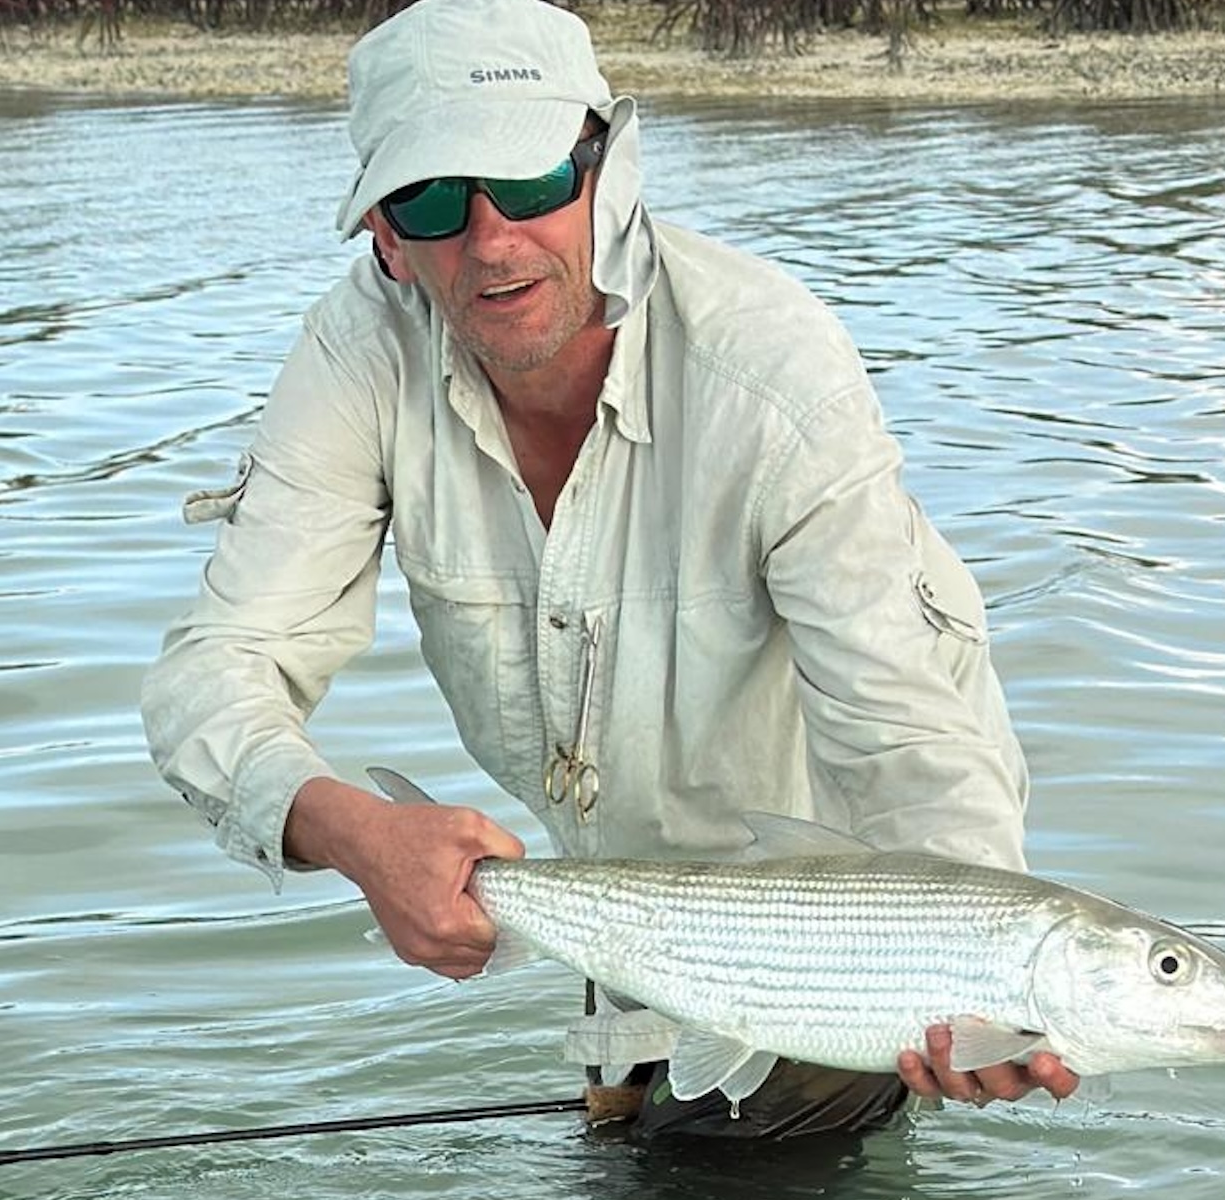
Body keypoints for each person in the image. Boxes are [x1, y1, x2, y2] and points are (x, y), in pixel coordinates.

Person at [141, 0, 1077, 1138]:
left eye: (532, 182)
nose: (489, 241)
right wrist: (350, 831)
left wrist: (977, 980)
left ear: (609, 173)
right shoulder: (355, 356)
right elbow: (214, 670)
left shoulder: (775, 372)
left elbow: (911, 727)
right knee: (628, 1162)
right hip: (617, 935)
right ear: (384, 235)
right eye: (431, 199)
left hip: (829, 958)